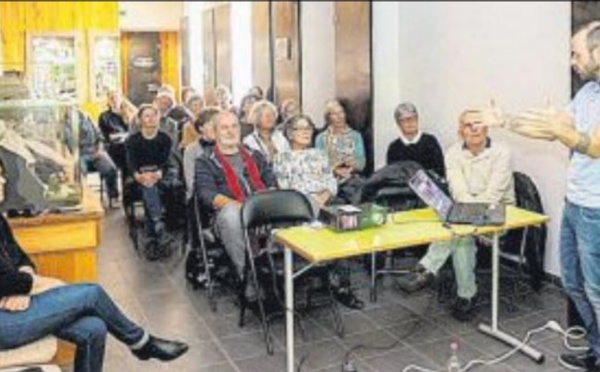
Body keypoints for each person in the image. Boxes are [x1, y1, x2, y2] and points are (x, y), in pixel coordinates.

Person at [477, 21, 600, 372]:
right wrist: (506, 122)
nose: (572, 61)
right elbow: (552, 130)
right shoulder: (588, 92)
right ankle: (596, 350)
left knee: (596, 291)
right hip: (575, 205)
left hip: (596, 210)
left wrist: (560, 129)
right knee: (575, 286)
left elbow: (594, 146)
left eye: (577, 54)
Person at [0, 158, 188, 372]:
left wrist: (22, 283)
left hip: (13, 305)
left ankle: (141, 344)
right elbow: (7, 280)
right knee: (92, 293)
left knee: (94, 328)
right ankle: (142, 343)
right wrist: (26, 284)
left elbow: (21, 259)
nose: (3, 180)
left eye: (2, 174)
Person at [397, 110, 515, 322]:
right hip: (464, 207)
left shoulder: (502, 153)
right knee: (460, 234)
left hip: (499, 211)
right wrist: (469, 218)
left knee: (458, 230)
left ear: (487, 127)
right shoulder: (452, 153)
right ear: (461, 131)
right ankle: (466, 296)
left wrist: (468, 217)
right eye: (468, 125)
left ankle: (426, 269)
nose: (475, 128)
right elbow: (458, 191)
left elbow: (494, 193)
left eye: (479, 123)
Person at [272, 114, 364, 309]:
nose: (306, 132)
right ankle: (319, 275)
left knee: (346, 220)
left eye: (309, 128)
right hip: (298, 206)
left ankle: (343, 286)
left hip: (326, 200)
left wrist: (324, 195)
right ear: (289, 133)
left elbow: (330, 180)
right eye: (301, 128)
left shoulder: (319, 154)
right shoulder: (281, 158)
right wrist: (312, 201)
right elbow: (285, 187)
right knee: (330, 221)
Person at [195, 111, 277, 297]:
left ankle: (282, 269)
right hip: (229, 215)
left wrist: (267, 199)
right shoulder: (205, 161)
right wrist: (246, 209)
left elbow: (271, 182)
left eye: (234, 126)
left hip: (262, 210)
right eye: (224, 128)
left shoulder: (254, 155)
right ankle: (247, 275)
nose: (230, 131)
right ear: (214, 133)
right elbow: (207, 195)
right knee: (231, 214)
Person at [125, 104, 176, 259]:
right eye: (146, 116)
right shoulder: (132, 140)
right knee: (149, 187)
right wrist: (139, 176)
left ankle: (152, 238)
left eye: (154, 115)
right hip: (139, 178)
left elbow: (166, 162)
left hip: (160, 176)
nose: (151, 119)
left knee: (151, 188)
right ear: (140, 120)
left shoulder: (165, 139)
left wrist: (158, 174)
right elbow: (130, 164)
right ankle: (158, 228)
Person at [65, 106, 120, 206]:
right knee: (79, 171)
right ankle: (81, 198)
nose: (71, 110)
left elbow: (99, 135)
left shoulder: (87, 118)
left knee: (111, 169)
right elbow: (65, 144)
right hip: (78, 153)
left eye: (73, 108)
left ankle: (113, 196)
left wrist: (99, 149)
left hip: (94, 150)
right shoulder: (63, 124)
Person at [386, 102, 445, 178]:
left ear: (417, 119)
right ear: (398, 124)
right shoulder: (394, 148)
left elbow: (439, 172)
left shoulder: (430, 142)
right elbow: (392, 175)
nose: (410, 123)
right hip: (402, 187)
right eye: (404, 120)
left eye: (412, 118)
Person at [315, 99, 366, 183]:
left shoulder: (356, 136)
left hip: (352, 179)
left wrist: (351, 166)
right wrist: (335, 170)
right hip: (328, 179)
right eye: (334, 114)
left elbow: (361, 163)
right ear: (328, 117)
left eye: (341, 112)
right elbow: (319, 164)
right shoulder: (320, 138)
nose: (339, 116)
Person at [183, 107, 220, 202]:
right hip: (201, 196)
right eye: (211, 124)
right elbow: (190, 182)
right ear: (201, 127)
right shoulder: (191, 150)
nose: (216, 128)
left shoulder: (229, 146)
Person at [243, 100, 290, 164]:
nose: (270, 118)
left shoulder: (280, 137)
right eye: (267, 116)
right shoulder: (249, 141)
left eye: (273, 115)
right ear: (257, 118)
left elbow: (288, 157)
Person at [98, 91, 129, 171]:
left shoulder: (128, 114)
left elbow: (133, 131)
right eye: (112, 98)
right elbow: (104, 135)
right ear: (108, 101)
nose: (114, 100)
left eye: (117, 98)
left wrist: (123, 136)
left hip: (127, 143)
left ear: (121, 99)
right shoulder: (104, 116)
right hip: (112, 146)